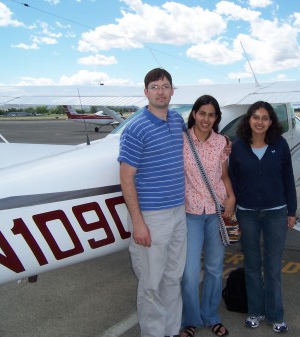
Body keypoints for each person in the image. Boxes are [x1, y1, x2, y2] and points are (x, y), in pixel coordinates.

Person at [118, 68, 186, 337]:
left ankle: (171, 330)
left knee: (173, 278)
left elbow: (195, 144)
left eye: (165, 86)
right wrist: (138, 223)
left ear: (172, 90)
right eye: (155, 86)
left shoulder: (177, 119)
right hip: (151, 216)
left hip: (178, 211)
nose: (161, 91)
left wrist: (224, 145)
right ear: (146, 92)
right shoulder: (136, 128)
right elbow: (126, 179)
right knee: (150, 283)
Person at [228, 101, 297, 334]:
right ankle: (254, 312)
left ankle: (276, 315)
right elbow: (233, 181)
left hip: (275, 212)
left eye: (265, 118)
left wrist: (292, 211)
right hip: (247, 213)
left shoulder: (280, 145)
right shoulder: (238, 147)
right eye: (256, 117)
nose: (260, 122)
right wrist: (233, 209)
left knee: (273, 266)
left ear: (271, 122)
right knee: (252, 265)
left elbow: (288, 179)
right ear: (249, 119)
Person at [180, 95, 235, 337]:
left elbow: (223, 177)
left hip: (215, 212)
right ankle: (190, 319)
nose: (206, 119)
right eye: (202, 113)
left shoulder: (222, 142)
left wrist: (231, 198)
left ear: (216, 118)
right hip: (190, 213)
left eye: (211, 115)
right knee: (189, 273)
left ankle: (211, 316)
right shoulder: (180, 140)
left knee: (214, 268)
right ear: (194, 114)